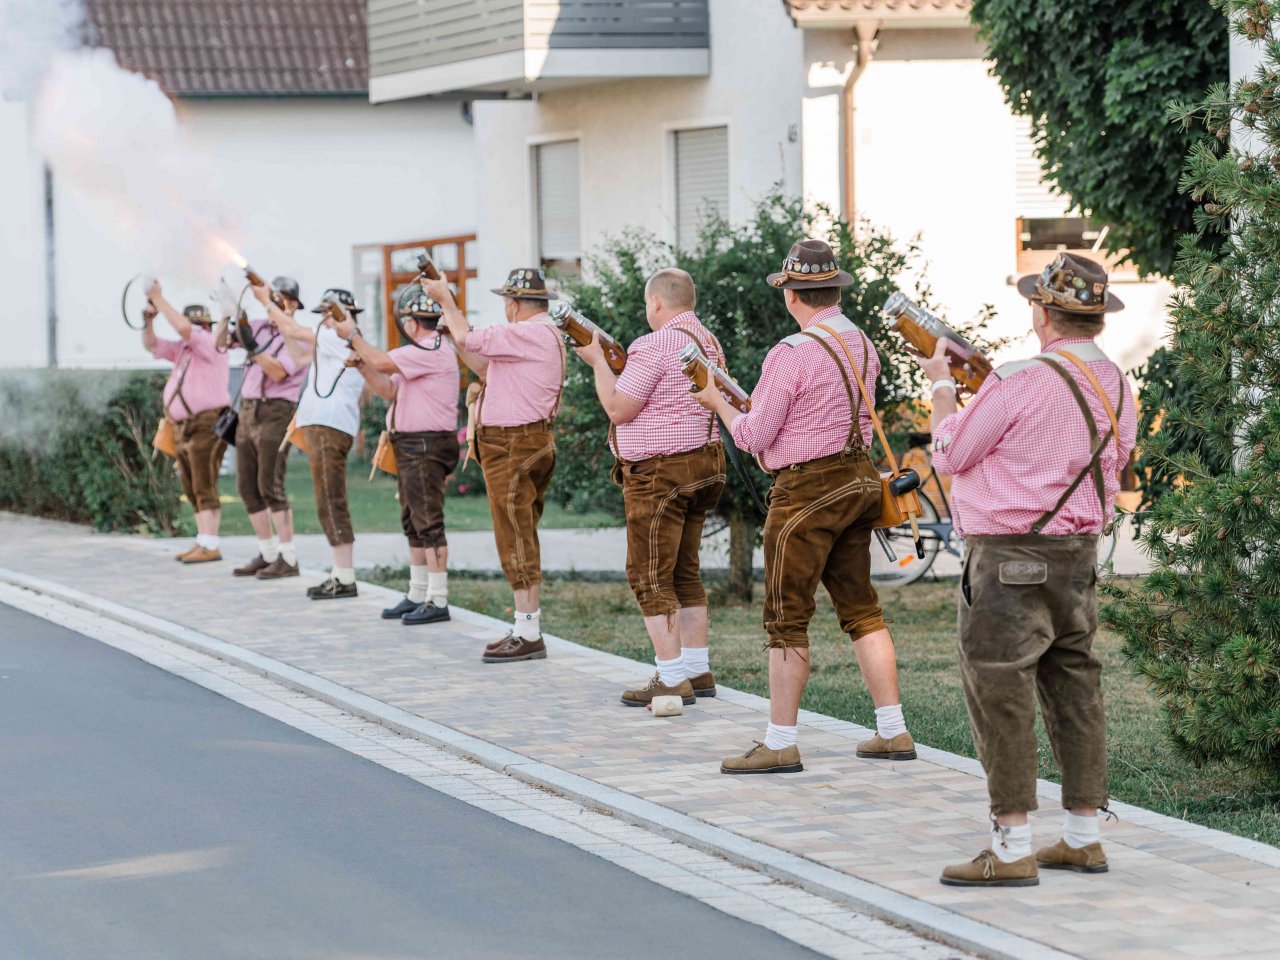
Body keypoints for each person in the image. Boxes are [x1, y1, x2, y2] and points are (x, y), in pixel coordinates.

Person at [921, 253, 1136, 887]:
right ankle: (1082, 839)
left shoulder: (1017, 378)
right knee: (1076, 691)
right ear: (1097, 318)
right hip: (1078, 558)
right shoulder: (1117, 385)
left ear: (1042, 313)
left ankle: (1011, 846)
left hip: (1007, 557)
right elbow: (1117, 461)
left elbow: (950, 454)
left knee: (1001, 693)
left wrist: (941, 388)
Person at [694, 239, 914, 774]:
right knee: (861, 609)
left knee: (786, 619)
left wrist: (718, 401)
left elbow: (753, 435)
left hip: (806, 492)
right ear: (834, 291)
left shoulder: (790, 352)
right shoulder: (861, 343)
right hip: (858, 481)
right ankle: (893, 730)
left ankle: (780, 742)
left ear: (792, 294)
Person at [575, 268, 725, 707]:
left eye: (647, 304)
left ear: (656, 303)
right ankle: (697, 670)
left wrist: (598, 363)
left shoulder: (654, 344)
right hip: (704, 464)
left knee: (648, 574)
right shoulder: (709, 340)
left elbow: (618, 408)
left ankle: (672, 677)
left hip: (660, 474)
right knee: (684, 571)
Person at [422, 268, 564, 663]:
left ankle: (528, 631)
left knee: (513, 534)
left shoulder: (528, 332)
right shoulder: (536, 335)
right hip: (521, 442)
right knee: (519, 531)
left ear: (514, 304)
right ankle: (525, 627)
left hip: (514, 444)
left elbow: (472, 337)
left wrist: (446, 300)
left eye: (506, 302)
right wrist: (454, 332)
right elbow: (484, 367)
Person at [339, 290, 460, 625]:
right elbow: (389, 389)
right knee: (414, 520)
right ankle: (419, 592)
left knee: (428, 521)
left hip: (424, 445)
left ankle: (438, 598)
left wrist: (353, 335)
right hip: (412, 445)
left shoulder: (428, 349)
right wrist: (363, 366)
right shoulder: (423, 352)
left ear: (411, 323)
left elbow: (381, 362)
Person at [254, 281, 365, 600]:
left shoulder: (339, 337)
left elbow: (296, 333)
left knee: (331, 499)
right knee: (327, 499)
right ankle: (341, 573)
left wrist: (268, 304)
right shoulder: (333, 341)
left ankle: (344, 575)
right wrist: (285, 318)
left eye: (328, 315)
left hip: (330, 427)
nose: (324, 321)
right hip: (323, 427)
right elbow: (299, 354)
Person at [221, 277, 309, 580]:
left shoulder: (299, 338)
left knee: (270, 485)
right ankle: (268, 552)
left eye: (281, 300)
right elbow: (221, 344)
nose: (274, 305)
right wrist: (227, 313)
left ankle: (288, 556)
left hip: (276, 411)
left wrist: (251, 346)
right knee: (247, 486)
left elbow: (278, 371)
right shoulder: (258, 325)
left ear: (293, 306)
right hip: (248, 408)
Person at [143, 282, 230, 564]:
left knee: (204, 482)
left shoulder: (208, 342)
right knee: (192, 484)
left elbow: (182, 329)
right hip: (183, 424)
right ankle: (203, 541)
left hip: (206, 421)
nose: (193, 330)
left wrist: (159, 299)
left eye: (197, 326)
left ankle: (210, 543)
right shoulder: (185, 349)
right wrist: (148, 321)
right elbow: (152, 345)